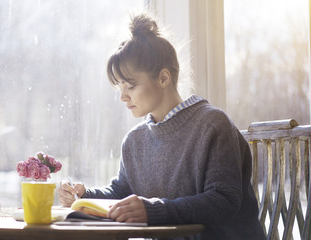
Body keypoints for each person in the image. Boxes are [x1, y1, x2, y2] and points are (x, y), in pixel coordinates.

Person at [58, 13, 265, 239]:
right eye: (120, 88)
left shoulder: (213, 124)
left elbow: (223, 202)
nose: (123, 97)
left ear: (164, 78)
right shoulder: (134, 141)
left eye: (131, 86)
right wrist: (84, 196)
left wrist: (153, 210)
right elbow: (122, 192)